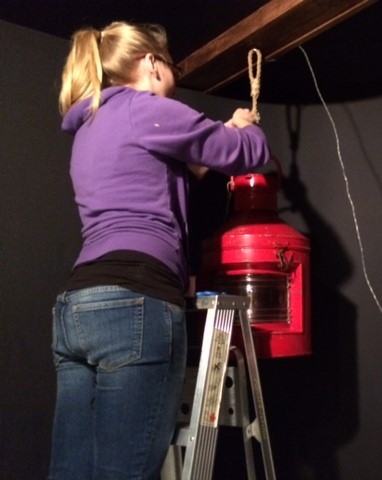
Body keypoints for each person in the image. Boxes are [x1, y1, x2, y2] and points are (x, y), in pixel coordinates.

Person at [49, 21, 271, 480]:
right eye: (169, 63)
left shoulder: (94, 123)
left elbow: (160, 180)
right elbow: (245, 154)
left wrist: (217, 137)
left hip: (77, 307)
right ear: (150, 63)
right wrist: (246, 130)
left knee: (70, 472)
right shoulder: (145, 107)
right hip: (135, 301)